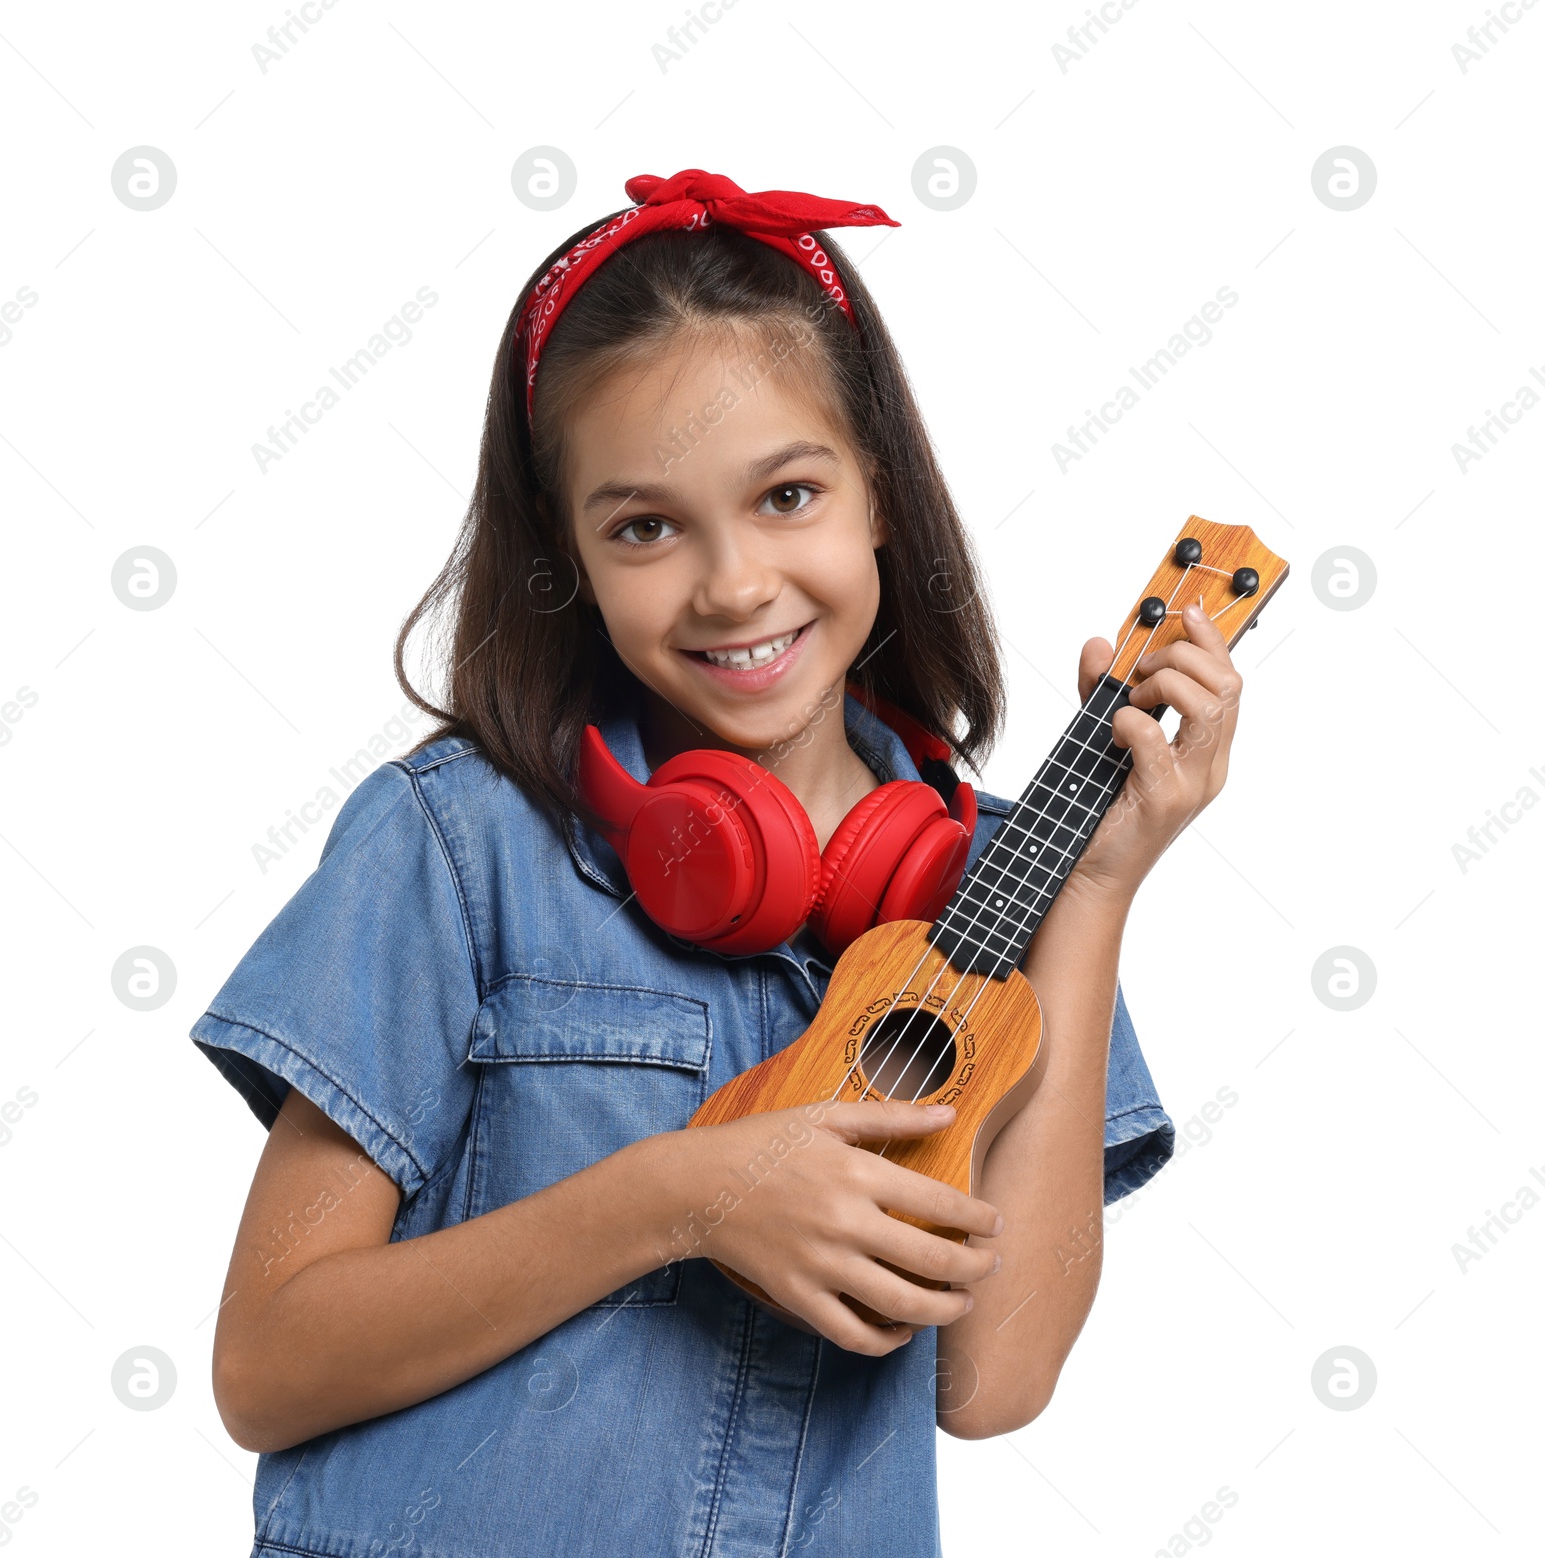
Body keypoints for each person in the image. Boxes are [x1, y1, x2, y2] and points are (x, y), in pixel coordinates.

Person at [191, 169, 1242, 1557]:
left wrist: (1094, 894)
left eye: (789, 494)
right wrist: (682, 1196)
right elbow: (268, 1359)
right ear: (567, 555)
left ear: (882, 497)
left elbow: (993, 1380)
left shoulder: (1004, 888)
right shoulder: (456, 849)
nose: (735, 582)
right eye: (645, 526)